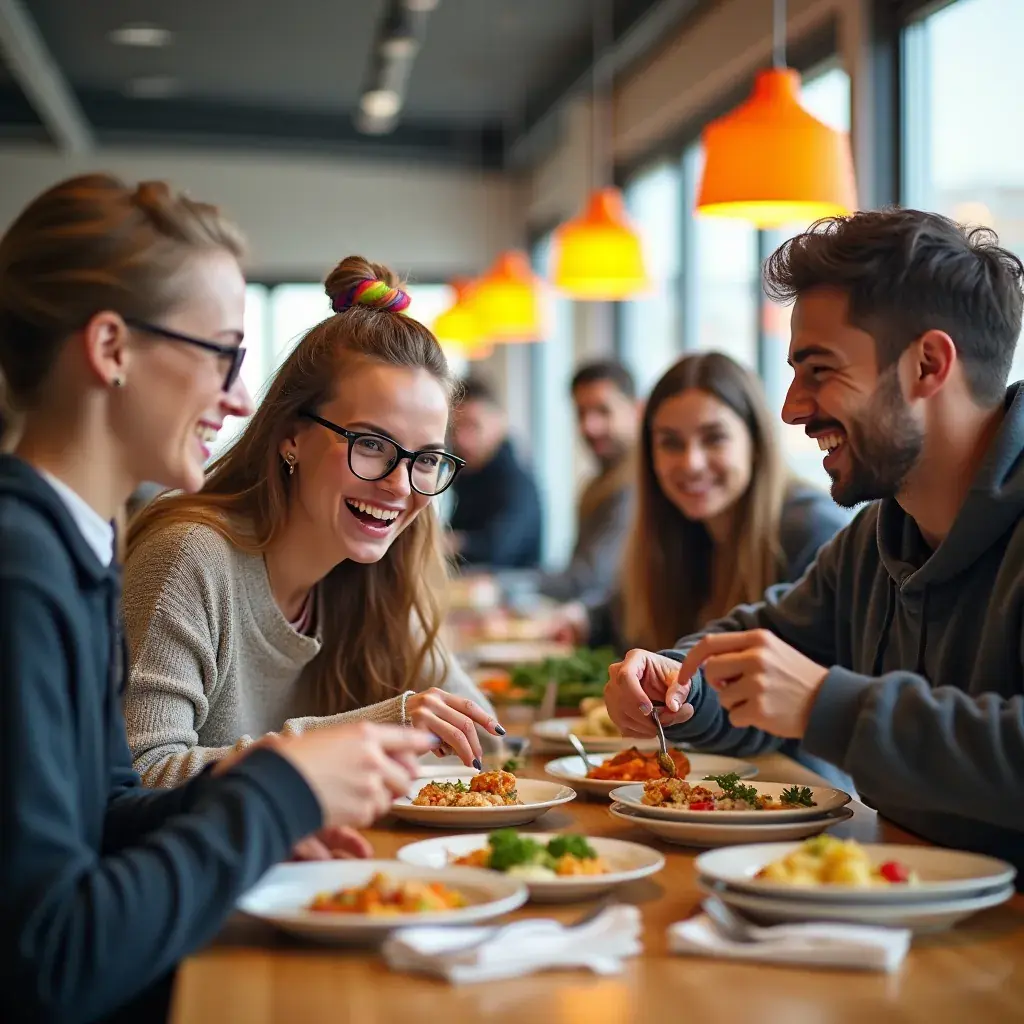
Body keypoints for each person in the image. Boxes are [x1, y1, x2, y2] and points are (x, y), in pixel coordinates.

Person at [0, 174, 437, 1024]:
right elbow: (50, 962)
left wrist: (260, 797)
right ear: (111, 348)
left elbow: (109, 810)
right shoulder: (24, 572)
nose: (241, 398)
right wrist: (275, 793)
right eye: (221, 354)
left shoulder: (71, 547)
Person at [605, 209, 1024, 876]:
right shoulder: (872, 540)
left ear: (928, 365)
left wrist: (831, 707)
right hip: (902, 904)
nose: (791, 408)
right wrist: (673, 681)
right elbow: (751, 649)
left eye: (819, 370)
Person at [123, 258, 505, 789]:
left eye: (426, 459)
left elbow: (488, 739)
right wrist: (374, 730)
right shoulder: (190, 556)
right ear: (290, 437)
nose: (400, 486)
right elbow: (142, 774)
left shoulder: (380, 568)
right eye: (371, 444)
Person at [532, 360, 640, 604]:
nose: (590, 426)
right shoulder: (598, 483)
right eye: (582, 413)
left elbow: (590, 577)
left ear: (637, 410)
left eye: (603, 411)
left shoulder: (638, 484)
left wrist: (507, 584)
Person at [446, 375, 543, 568]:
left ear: (499, 423)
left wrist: (449, 542)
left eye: (473, 426)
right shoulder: (468, 474)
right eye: (455, 428)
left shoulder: (514, 478)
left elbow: (500, 548)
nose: (462, 439)